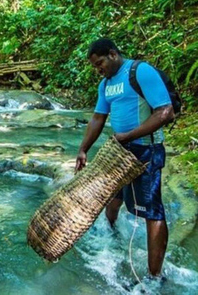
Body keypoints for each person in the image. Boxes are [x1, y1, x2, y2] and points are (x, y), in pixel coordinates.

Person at [75, 38, 174, 278]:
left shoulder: (140, 72)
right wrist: (83, 149)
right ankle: (111, 238)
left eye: (100, 63)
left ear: (112, 54)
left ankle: (155, 276)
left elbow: (165, 112)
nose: (98, 69)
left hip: (146, 151)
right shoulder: (105, 84)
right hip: (120, 152)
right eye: (95, 66)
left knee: (152, 212)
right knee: (112, 196)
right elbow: (98, 118)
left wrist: (129, 135)